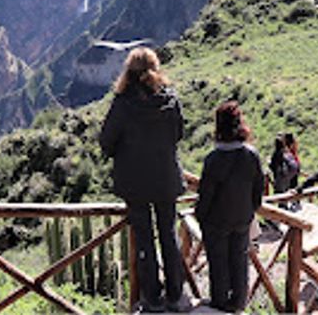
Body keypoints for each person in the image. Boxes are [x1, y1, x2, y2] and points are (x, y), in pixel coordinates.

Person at [99, 47, 186, 312]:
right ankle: (176, 294)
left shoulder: (123, 104)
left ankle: (152, 299)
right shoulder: (170, 100)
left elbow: (106, 142)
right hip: (166, 180)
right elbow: (179, 133)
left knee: (144, 239)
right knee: (169, 235)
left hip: (134, 183)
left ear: (128, 70)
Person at [195, 101, 265, 313]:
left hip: (216, 221)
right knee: (239, 261)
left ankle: (219, 304)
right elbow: (258, 190)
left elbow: (205, 196)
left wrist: (200, 216)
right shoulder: (251, 155)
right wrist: (249, 210)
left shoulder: (213, 159)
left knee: (218, 264)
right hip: (242, 217)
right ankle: (238, 303)